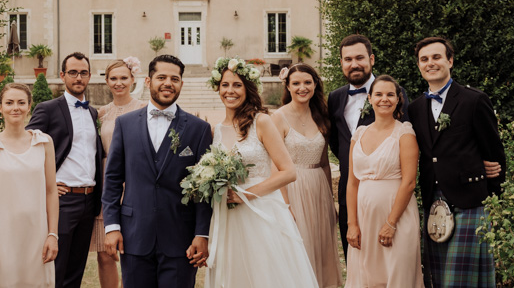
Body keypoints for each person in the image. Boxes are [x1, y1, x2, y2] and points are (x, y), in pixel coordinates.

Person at [204, 58, 319, 288]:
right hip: (228, 216)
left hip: (262, 211)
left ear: (248, 89)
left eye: (237, 85)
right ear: (218, 88)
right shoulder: (216, 130)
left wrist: (247, 194)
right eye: (225, 85)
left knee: (265, 274)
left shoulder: (262, 122)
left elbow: (288, 172)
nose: (230, 91)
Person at [102, 54, 213, 288]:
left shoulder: (199, 129)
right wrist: (112, 227)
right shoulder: (125, 124)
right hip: (134, 235)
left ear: (181, 83)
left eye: (175, 78)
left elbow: (205, 189)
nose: (168, 83)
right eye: (161, 77)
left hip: (180, 238)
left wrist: (201, 234)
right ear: (147, 81)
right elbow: (112, 179)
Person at [406, 37, 506, 288]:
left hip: (471, 201)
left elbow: (495, 154)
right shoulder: (415, 108)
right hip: (433, 202)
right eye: (424, 59)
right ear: (419, 65)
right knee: (439, 280)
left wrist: (491, 202)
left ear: (450, 61)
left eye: (437, 57)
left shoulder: (474, 100)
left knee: (459, 282)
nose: (431, 63)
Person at [327, 34, 410, 256]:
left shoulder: (393, 94)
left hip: (389, 196)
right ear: (341, 63)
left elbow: (406, 140)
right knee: (355, 259)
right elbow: (337, 142)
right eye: (348, 59)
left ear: (371, 59)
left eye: (360, 58)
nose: (354, 64)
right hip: (350, 191)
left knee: (390, 260)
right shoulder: (335, 98)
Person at [27, 52, 105, 288]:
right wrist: (44, 183)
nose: (78, 77)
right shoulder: (48, 109)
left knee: (76, 269)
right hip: (62, 200)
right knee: (55, 268)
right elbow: (27, 147)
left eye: (83, 73)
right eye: (73, 72)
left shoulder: (93, 113)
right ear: (62, 76)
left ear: (89, 76)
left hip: (89, 200)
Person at [345, 75, 423, 288]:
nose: (384, 99)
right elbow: (352, 183)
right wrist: (352, 224)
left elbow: (409, 183)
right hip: (363, 219)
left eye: (390, 94)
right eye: (378, 94)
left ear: (398, 99)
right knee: (366, 274)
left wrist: (391, 223)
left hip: (397, 218)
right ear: (369, 98)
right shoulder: (359, 134)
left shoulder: (405, 133)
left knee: (397, 274)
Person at [0, 83, 58, 287]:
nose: (16, 107)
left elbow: (51, 191)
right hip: (2, 238)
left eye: (21, 102)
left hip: (38, 236)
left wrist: (52, 235)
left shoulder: (44, 142)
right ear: (0, 107)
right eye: (9, 102)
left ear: (29, 106)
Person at [271, 64, 340, 288]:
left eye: (308, 82)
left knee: (320, 248)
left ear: (315, 84)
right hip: (291, 189)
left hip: (319, 187)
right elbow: (274, 166)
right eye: (296, 83)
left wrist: (330, 199)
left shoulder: (321, 115)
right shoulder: (277, 118)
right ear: (288, 87)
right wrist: (285, 206)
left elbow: (324, 162)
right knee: (298, 249)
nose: (302, 87)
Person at [90, 57, 146, 288]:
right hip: (106, 183)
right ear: (106, 81)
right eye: (114, 78)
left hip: (135, 181)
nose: (119, 82)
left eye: (124, 77)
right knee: (105, 251)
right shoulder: (100, 114)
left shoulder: (144, 109)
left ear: (133, 79)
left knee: (133, 250)